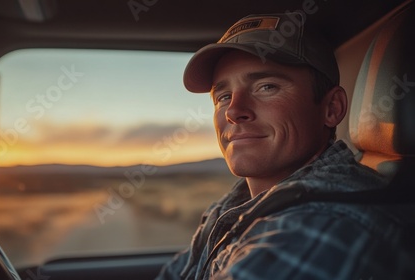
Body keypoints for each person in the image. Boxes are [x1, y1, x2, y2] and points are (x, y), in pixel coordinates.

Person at [156, 12, 415, 280]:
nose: (234, 111)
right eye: (223, 96)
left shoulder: (322, 229)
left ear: (331, 108)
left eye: (266, 87)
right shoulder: (234, 205)